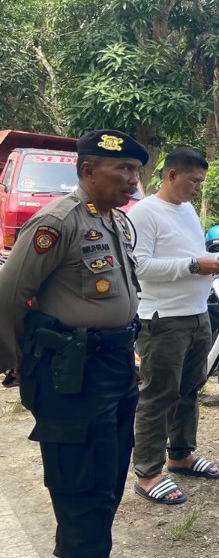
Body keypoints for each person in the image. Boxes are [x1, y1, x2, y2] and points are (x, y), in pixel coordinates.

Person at [0, 129, 146, 558]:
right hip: (74, 374)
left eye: (136, 170)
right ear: (87, 170)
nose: (133, 179)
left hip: (115, 366)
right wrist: (22, 364)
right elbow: (10, 296)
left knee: (108, 485)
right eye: (122, 168)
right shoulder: (58, 221)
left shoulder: (111, 219)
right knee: (81, 494)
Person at [129, 147, 219, 505]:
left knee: (189, 388)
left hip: (196, 313)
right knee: (158, 394)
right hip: (162, 318)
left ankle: (180, 454)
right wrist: (194, 265)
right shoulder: (144, 213)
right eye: (193, 180)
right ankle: (147, 471)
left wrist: (216, 259)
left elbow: (189, 254)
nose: (197, 188)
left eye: (201, 182)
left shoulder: (188, 210)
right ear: (172, 175)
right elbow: (140, 266)